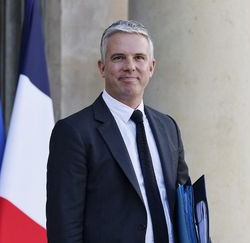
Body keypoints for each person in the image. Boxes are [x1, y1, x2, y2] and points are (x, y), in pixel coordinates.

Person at [46, 20, 189, 243]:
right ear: (102, 67)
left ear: (151, 67)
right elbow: (64, 226)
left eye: (139, 58)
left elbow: (187, 207)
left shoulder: (168, 127)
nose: (130, 66)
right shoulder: (73, 132)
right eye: (118, 57)